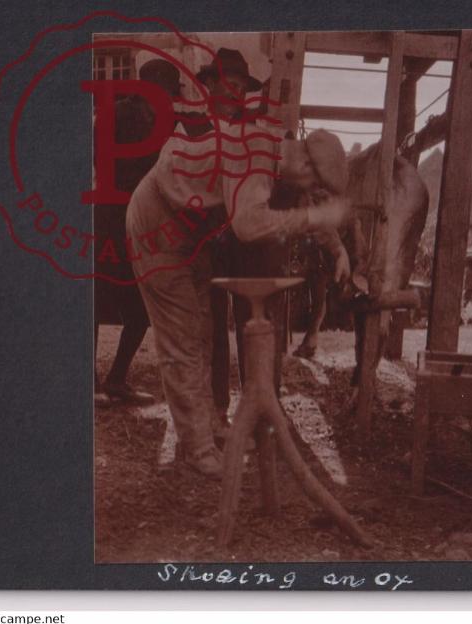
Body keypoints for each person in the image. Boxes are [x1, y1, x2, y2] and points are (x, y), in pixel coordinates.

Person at [127, 47, 353, 477]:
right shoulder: (256, 150)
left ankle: (209, 423)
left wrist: (337, 248)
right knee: (181, 340)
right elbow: (250, 225)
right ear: (305, 161)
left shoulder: (283, 156)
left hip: (187, 226)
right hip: (158, 221)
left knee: (202, 332)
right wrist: (310, 218)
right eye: (315, 183)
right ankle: (196, 448)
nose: (310, 192)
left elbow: (307, 204)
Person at [93, 59, 184, 407]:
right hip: (122, 217)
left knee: (137, 303)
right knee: (110, 297)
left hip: (120, 216)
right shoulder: (155, 122)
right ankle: (104, 380)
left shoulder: (114, 113)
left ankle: (114, 380)